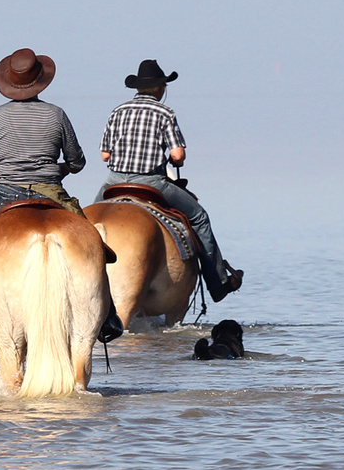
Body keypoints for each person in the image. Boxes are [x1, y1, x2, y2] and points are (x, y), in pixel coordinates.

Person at [0, 47, 123, 348]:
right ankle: (108, 318)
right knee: (95, 247)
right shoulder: (56, 114)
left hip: (2, 198)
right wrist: (56, 167)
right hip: (52, 194)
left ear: (9, 81)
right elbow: (78, 162)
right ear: (39, 81)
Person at [94, 59, 243, 301]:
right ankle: (218, 282)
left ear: (138, 87)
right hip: (152, 182)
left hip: (114, 181)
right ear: (161, 88)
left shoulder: (117, 111)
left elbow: (105, 155)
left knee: (87, 222)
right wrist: (177, 161)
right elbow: (177, 154)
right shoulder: (165, 112)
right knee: (199, 217)